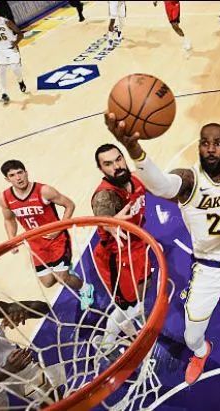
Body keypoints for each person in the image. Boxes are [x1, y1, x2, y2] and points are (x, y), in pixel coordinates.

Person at [104, 114, 220, 385]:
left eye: (218, 143)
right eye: (205, 143)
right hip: (207, 271)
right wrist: (134, 150)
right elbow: (161, 185)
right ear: (199, 147)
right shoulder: (189, 180)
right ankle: (202, 352)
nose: (211, 148)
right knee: (191, 338)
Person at [0, 160, 94, 309]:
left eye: (20, 172)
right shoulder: (4, 198)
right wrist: (12, 240)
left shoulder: (44, 191)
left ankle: (85, 288)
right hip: (36, 244)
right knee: (48, 282)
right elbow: (9, 220)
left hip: (57, 239)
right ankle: (66, 270)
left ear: (26, 173)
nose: (18, 178)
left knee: (62, 278)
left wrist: (59, 228)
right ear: (7, 179)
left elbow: (69, 205)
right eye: (12, 175)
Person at [90, 144, 152, 358]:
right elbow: (103, 216)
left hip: (137, 245)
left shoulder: (135, 180)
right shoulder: (104, 196)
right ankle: (106, 344)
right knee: (128, 306)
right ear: (101, 169)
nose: (116, 166)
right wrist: (109, 223)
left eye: (118, 159)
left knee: (144, 288)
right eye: (108, 164)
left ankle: (130, 320)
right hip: (117, 256)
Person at [0, 299, 66, 408]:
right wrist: (5, 371)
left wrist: (18, 311)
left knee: (51, 393)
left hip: (17, 363)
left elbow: (43, 308)